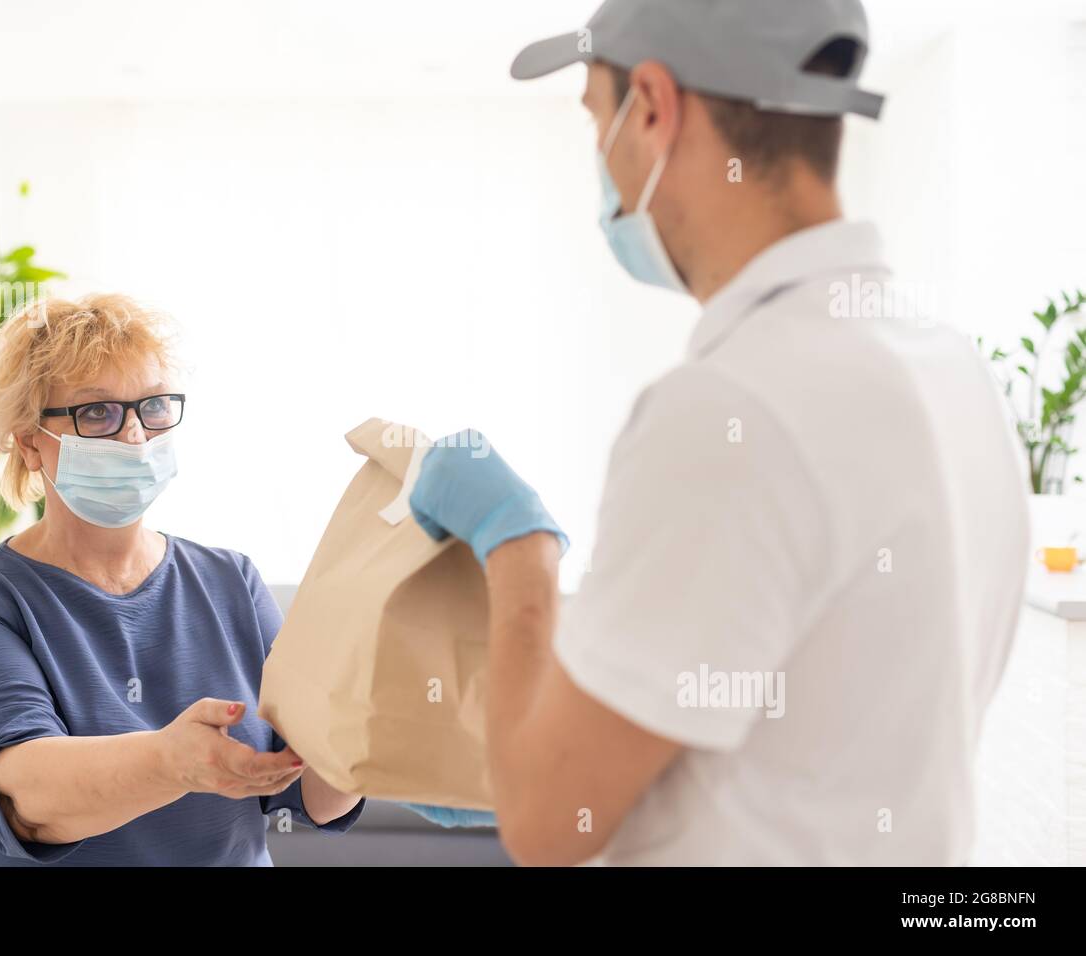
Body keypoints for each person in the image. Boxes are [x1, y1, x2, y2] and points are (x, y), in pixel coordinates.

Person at [404, 0, 1029, 864]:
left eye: (598, 118)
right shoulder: (953, 368)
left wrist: (520, 549)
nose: (602, 163)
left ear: (654, 107)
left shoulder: (731, 410)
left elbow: (549, 824)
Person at [0, 293, 363, 865]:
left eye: (152, 407)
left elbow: (312, 796)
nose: (133, 436)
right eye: (96, 412)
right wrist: (168, 762)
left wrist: (364, 718)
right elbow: (28, 798)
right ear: (30, 443)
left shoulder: (232, 581)